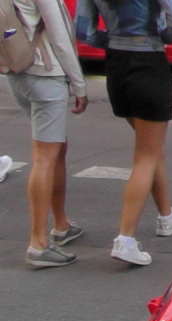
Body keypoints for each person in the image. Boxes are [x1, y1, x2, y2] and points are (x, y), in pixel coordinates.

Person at [76, 0, 172, 267]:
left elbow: (83, 30)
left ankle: (166, 216)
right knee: (146, 155)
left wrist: (110, 40)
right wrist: (160, 37)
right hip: (148, 60)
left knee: (150, 147)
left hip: (116, 63)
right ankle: (125, 239)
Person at [5, 0, 89, 268]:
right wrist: (79, 85)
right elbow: (60, 36)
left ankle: (61, 224)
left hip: (18, 72)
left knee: (57, 148)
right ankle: (38, 243)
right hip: (45, 73)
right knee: (45, 156)